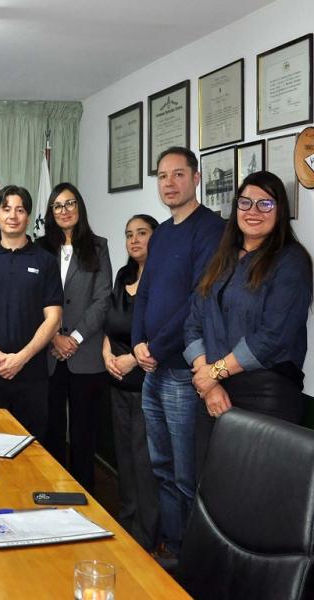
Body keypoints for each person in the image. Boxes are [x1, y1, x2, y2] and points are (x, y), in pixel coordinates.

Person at [131, 146, 225, 560]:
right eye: (162, 176)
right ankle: (171, 548)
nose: (169, 183)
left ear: (196, 178)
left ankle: (194, 561)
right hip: (152, 370)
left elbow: (196, 301)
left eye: (178, 175)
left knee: (188, 475)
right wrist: (138, 342)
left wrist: (155, 347)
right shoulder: (163, 232)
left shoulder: (212, 230)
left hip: (184, 372)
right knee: (162, 469)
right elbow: (145, 292)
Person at [184, 171, 313, 473]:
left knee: (254, 492)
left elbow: (273, 336)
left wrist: (213, 373)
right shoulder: (222, 258)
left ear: (280, 211)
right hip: (212, 392)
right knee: (208, 485)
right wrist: (209, 383)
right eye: (245, 202)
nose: (253, 211)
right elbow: (193, 323)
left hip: (266, 395)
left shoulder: (291, 261)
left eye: (265, 204)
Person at [0, 185, 63, 443]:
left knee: (32, 448)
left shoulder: (46, 262)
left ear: (28, 216)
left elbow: (53, 319)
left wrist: (21, 358)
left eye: (20, 210)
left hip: (32, 374)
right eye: (6, 209)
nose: (13, 216)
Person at [38, 183, 112, 492]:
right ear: (50, 213)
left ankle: (85, 499)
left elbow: (103, 299)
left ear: (79, 207)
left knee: (83, 434)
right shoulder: (40, 248)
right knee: (52, 431)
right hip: (49, 355)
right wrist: (54, 336)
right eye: (57, 206)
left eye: (70, 204)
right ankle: (52, 493)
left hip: (86, 354)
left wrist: (75, 337)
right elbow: (35, 298)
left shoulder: (98, 247)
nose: (64, 210)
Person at [102, 214, 160, 551]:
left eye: (142, 233)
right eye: (129, 235)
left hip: (146, 385)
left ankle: (146, 538)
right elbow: (110, 324)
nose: (134, 240)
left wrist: (132, 360)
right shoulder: (123, 277)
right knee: (124, 460)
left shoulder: (162, 281)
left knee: (144, 463)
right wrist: (106, 353)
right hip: (117, 384)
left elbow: (166, 331)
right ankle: (126, 528)